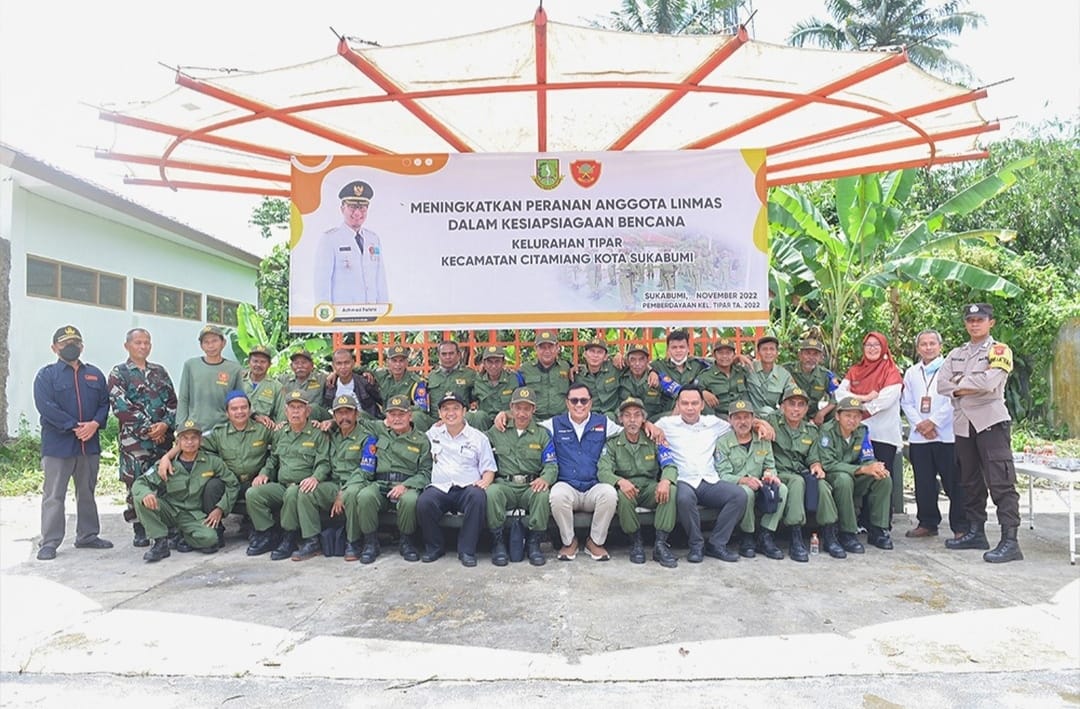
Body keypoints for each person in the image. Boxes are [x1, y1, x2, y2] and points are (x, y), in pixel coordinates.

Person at [938, 303, 1022, 563]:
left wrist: (959, 385)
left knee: (1001, 482)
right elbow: (941, 384)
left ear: (991, 323)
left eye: (980, 319)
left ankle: (1010, 541)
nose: (975, 324)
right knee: (970, 481)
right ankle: (976, 532)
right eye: (970, 320)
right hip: (964, 424)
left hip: (990, 423)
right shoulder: (956, 353)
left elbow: (990, 382)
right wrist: (968, 386)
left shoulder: (999, 350)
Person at [33, 325, 113, 560]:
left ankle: (87, 535)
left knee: (87, 492)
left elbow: (104, 403)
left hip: (89, 444)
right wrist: (74, 426)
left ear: (82, 346)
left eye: (75, 343)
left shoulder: (95, 374)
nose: (71, 347)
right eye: (65, 343)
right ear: (54, 348)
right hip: (58, 446)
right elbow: (45, 406)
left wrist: (95, 424)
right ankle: (49, 542)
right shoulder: (46, 375)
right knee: (54, 495)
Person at [158, 390, 272, 543]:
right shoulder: (218, 433)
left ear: (250, 410)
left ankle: (258, 528)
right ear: (227, 413)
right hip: (230, 481)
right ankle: (214, 526)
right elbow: (190, 441)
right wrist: (167, 457)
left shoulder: (263, 430)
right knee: (211, 486)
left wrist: (265, 472)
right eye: (234, 409)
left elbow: (279, 446)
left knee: (259, 489)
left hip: (254, 481)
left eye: (244, 407)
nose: (240, 412)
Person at [654, 386, 747, 563]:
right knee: (683, 499)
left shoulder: (713, 423)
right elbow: (643, 426)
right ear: (678, 405)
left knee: (739, 495)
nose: (690, 408)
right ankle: (696, 545)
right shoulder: (666, 424)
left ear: (702, 405)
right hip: (683, 480)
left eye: (694, 403)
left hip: (709, 480)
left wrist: (760, 423)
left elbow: (740, 424)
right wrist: (648, 425)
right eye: (685, 403)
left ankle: (717, 543)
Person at [107, 327, 177, 547]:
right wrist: (149, 430)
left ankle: (162, 524)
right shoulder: (119, 373)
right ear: (127, 346)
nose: (143, 346)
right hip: (135, 442)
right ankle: (139, 526)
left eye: (147, 343)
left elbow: (173, 403)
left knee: (163, 480)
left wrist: (165, 425)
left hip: (162, 440)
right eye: (138, 343)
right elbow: (121, 407)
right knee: (136, 483)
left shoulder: (160, 372)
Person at [342, 394, 431, 563]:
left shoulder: (421, 440)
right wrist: (329, 422)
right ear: (386, 417)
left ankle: (407, 541)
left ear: (410, 415)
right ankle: (370, 542)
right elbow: (354, 419)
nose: (397, 418)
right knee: (365, 496)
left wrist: (406, 486)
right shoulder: (379, 429)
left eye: (401, 414)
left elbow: (426, 472)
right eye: (392, 414)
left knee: (410, 500)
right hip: (380, 483)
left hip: (406, 484)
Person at [134, 420, 238, 562]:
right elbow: (140, 483)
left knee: (211, 539)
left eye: (194, 438)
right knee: (141, 499)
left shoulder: (212, 462)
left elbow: (233, 484)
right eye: (185, 438)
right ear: (178, 442)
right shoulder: (167, 464)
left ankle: (182, 536)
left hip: (193, 515)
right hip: (169, 510)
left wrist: (220, 508)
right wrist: (146, 493)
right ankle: (160, 543)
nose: (190, 442)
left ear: (200, 440)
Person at [246, 390, 331, 561]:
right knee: (253, 493)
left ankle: (289, 537)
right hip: (282, 485)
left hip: (303, 486)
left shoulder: (318, 433)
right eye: (292, 407)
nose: (296, 412)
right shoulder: (280, 433)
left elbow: (324, 462)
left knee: (294, 492)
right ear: (286, 411)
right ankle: (268, 534)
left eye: (300, 407)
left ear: (308, 411)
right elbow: (273, 459)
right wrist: (264, 473)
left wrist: (315, 477)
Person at [596, 397, 679, 568]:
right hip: (628, 487)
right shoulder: (612, 443)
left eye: (637, 415)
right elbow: (603, 471)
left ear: (643, 419)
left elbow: (670, 464)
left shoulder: (654, 438)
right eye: (627, 416)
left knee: (670, 489)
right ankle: (635, 542)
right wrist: (619, 481)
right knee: (622, 495)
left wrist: (665, 480)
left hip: (649, 488)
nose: (632, 420)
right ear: (620, 419)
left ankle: (661, 544)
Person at [545, 383, 622, 562]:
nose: (579, 405)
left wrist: (649, 425)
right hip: (568, 486)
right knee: (556, 495)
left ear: (591, 403)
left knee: (609, 493)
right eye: (574, 401)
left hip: (593, 487)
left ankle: (594, 542)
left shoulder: (603, 423)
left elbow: (628, 431)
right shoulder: (554, 423)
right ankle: (569, 541)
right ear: (567, 403)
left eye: (583, 400)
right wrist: (505, 415)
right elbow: (525, 422)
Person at [418, 392, 497, 567]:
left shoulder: (478, 438)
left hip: (467, 488)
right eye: (445, 409)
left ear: (465, 411)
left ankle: (467, 550)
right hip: (441, 488)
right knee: (424, 501)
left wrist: (485, 482)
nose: (450, 413)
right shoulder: (432, 434)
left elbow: (489, 468)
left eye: (455, 408)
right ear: (439, 413)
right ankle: (434, 547)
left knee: (478, 498)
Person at [767, 386, 845, 560]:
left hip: (801, 471)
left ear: (806, 408)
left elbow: (813, 457)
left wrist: (816, 465)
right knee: (796, 482)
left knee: (823, 485)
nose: (796, 409)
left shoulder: (810, 431)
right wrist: (760, 424)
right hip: (779, 472)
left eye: (801, 405)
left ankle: (830, 534)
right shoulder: (772, 421)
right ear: (782, 406)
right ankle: (796, 536)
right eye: (791, 404)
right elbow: (752, 421)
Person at [901, 330, 965, 539]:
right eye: (923, 344)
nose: (928, 347)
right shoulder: (911, 372)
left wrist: (933, 422)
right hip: (920, 437)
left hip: (946, 434)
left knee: (953, 481)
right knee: (924, 482)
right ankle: (927, 523)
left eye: (932, 344)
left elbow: (952, 400)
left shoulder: (951, 370)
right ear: (918, 348)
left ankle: (960, 526)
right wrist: (920, 424)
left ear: (940, 346)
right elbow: (906, 402)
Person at [484, 387, 557, 566]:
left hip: (530, 485)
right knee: (492, 492)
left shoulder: (542, 434)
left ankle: (534, 543)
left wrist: (545, 478)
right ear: (511, 408)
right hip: (505, 485)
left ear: (534, 410)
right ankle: (498, 542)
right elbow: (476, 444)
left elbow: (551, 464)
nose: (522, 413)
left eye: (527, 408)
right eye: (518, 408)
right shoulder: (496, 430)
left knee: (542, 495)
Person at [834, 332, 904, 512]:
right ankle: (862, 521)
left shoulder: (891, 371)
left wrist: (855, 408)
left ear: (883, 347)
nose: (872, 349)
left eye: (876, 345)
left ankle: (881, 525)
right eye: (868, 345)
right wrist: (864, 397)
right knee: (862, 476)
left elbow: (885, 401)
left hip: (882, 434)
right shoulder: (856, 370)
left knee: (882, 477)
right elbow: (839, 394)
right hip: (856, 434)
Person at [715, 399, 789, 560]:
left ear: (753, 418)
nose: (742, 422)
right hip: (740, 487)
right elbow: (723, 475)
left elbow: (770, 465)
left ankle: (765, 535)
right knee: (746, 491)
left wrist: (770, 475)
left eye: (746, 417)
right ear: (730, 420)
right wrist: (743, 480)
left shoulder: (762, 438)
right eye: (737, 418)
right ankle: (747, 536)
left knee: (782, 488)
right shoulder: (723, 443)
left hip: (761, 485)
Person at [817, 397, 893, 551]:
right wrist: (862, 470)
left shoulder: (862, 431)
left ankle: (877, 529)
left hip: (855, 475)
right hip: (833, 477)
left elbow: (867, 457)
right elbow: (828, 464)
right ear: (838, 416)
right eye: (848, 416)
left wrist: (874, 467)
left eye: (857, 416)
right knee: (844, 480)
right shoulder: (827, 431)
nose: (852, 420)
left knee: (883, 477)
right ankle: (847, 532)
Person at [314, 179, 389, 305]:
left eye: (362, 207)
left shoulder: (373, 239)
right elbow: (322, 283)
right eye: (352, 207)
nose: (358, 213)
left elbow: (380, 279)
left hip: (371, 314)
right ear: (342, 208)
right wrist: (325, 317)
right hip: (343, 317)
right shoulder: (330, 239)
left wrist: (384, 311)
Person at [175, 325, 244, 432]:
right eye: (206, 342)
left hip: (223, 429)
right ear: (201, 346)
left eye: (214, 341)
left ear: (223, 343)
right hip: (195, 428)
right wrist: (181, 425)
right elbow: (184, 398)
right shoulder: (191, 365)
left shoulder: (234, 369)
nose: (210, 346)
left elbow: (240, 401)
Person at [415, 340, 476, 431]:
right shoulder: (430, 377)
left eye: (451, 353)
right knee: (416, 416)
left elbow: (477, 399)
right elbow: (421, 402)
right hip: (436, 420)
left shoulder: (470, 375)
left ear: (459, 355)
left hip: (462, 420)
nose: (448, 357)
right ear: (439, 356)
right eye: (444, 354)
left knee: (478, 416)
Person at [648, 329, 709, 413]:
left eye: (682, 347)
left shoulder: (698, 365)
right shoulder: (658, 366)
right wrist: (652, 372)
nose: (678, 350)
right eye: (674, 347)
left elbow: (720, 362)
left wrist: (704, 392)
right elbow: (638, 365)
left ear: (688, 348)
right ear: (668, 349)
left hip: (694, 411)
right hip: (669, 413)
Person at [319, 348, 382, 426]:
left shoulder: (365, 382)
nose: (343, 367)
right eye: (339, 363)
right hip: (339, 422)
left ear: (353, 363)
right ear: (333, 366)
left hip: (364, 423)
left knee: (359, 414)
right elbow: (326, 406)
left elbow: (382, 400)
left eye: (347, 363)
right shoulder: (330, 384)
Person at [519, 330, 573, 419]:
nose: (547, 351)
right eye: (542, 347)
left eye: (550, 347)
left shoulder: (566, 367)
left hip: (561, 419)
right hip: (534, 420)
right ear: (536, 349)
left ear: (557, 347)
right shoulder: (525, 369)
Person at [469, 346, 523, 431]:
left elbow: (522, 402)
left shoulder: (514, 379)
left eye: (497, 362)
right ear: (484, 363)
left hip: (507, 422)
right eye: (489, 362)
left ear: (503, 362)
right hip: (485, 424)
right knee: (478, 416)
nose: (493, 366)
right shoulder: (477, 380)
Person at [788, 337, 839, 425]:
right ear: (800, 355)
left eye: (815, 354)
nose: (811, 358)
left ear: (820, 358)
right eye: (807, 353)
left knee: (839, 410)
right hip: (793, 411)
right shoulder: (787, 370)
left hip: (814, 414)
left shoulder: (826, 375)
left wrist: (822, 413)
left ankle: (830, 435)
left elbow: (837, 396)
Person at [742, 334, 794, 418]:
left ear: (777, 353)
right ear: (758, 352)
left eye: (772, 349)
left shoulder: (784, 374)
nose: (768, 352)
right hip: (748, 416)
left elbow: (793, 395)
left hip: (771, 416)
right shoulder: (749, 367)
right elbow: (727, 367)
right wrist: (738, 357)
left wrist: (783, 408)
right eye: (764, 349)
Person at [696, 337, 749, 418]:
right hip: (718, 417)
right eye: (720, 353)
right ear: (714, 355)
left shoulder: (741, 372)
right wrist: (702, 392)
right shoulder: (706, 376)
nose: (724, 356)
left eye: (728, 353)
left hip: (741, 415)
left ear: (734, 355)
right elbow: (693, 391)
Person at [574, 338, 621, 419]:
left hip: (611, 416)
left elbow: (636, 364)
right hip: (587, 417)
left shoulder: (615, 369)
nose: (595, 355)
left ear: (605, 356)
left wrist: (651, 371)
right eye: (592, 351)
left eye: (599, 352)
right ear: (585, 354)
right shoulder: (577, 375)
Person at [617, 344, 665, 422]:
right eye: (633, 359)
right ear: (628, 361)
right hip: (628, 422)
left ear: (647, 361)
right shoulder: (620, 375)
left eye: (641, 359)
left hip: (653, 421)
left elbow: (674, 395)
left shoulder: (657, 377)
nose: (637, 364)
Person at [371, 344, 428, 410]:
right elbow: (361, 370)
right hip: (384, 417)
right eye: (394, 361)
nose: (398, 364)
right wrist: (367, 373)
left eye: (401, 361)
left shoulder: (416, 382)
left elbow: (422, 408)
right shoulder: (382, 375)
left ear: (406, 362)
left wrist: (401, 411)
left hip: (404, 417)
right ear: (387, 362)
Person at [242, 345, 284, 428]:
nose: (258, 365)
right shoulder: (238, 381)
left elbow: (281, 416)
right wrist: (256, 417)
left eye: (263, 362)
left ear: (269, 365)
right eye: (255, 361)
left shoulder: (276, 387)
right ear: (249, 362)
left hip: (263, 430)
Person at [278, 350, 328, 421]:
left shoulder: (322, 379)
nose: (300, 366)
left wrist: (334, 374)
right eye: (296, 363)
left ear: (312, 365)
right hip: (292, 419)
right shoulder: (283, 380)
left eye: (304, 362)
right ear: (291, 366)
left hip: (316, 420)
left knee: (312, 407)